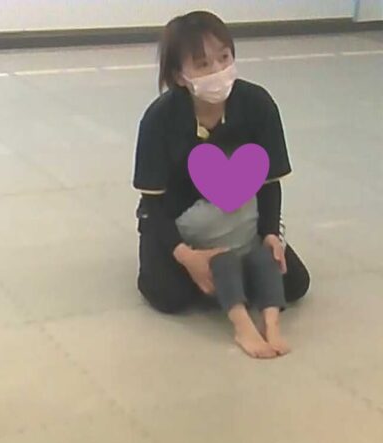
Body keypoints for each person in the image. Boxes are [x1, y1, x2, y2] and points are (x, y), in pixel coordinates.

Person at [133, 11, 311, 358]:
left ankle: (232, 275)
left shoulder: (257, 104)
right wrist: (187, 256)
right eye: (202, 64)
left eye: (224, 57)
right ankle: (225, 279)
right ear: (179, 75)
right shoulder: (159, 119)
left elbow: (270, 182)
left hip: (238, 223)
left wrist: (270, 234)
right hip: (177, 226)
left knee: (295, 283)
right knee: (168, 296)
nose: (217, 70)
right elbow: (152, 203)